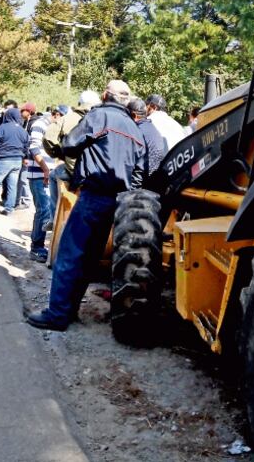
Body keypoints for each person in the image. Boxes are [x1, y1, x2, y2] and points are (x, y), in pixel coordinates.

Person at [26, 79, 146, 332]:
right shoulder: (135, 129)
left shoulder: (99, 116)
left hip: (93, 196)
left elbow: (70, 144)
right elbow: (139, 173)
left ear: (105, 95)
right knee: (89, 259)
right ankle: (69, 312)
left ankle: (58, 315)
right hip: (118, 202)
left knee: (69, 255)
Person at [24, 107, 56, 262]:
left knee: (47, 211)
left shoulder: (52, 126)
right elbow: (33, 147)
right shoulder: (40, 125)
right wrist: (45, 169)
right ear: (56, 114)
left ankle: (40, 246)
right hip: (39, 175)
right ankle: (36, 248)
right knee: (43, 210)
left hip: (46, 175)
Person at [128, 98, 167, 175]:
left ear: (134, 115)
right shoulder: (152, 128)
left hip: (142, 178)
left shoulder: (136, 132)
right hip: (154, 175)